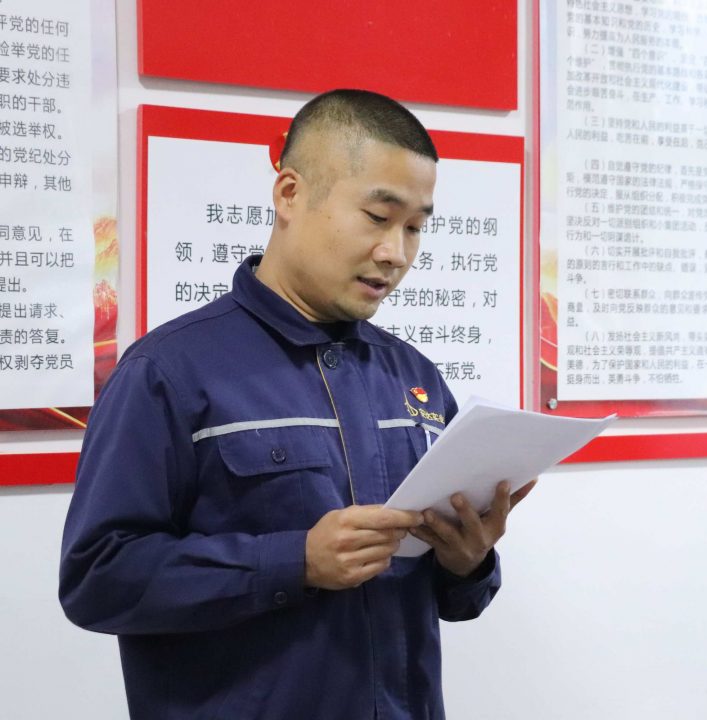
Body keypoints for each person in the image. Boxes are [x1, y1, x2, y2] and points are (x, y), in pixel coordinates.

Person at [59, 89, 535, 720]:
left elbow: (456, 600)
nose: (396, 253)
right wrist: (294, 561)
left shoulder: (413, 377)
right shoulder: (168, 372)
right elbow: (96, 579)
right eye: (378, 216)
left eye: (415, 227)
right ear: (289, 194)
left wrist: (467, 561)